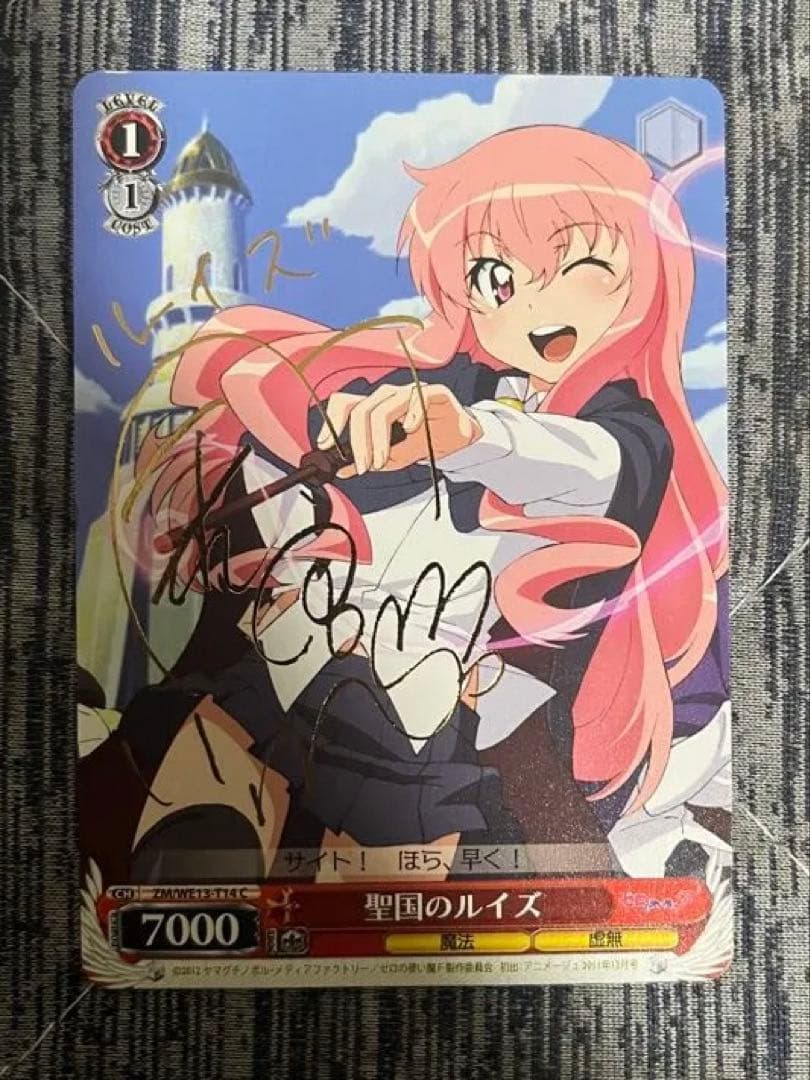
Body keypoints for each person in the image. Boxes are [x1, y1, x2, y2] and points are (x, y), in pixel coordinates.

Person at [103, 125, 728, 884]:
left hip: (473, 711)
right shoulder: (445, 373)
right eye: (496, 275)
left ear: (646, 274)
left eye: (583, 266)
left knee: (422, 799)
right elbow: (332, 404)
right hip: (341, 655)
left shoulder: (627, 428)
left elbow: (595, 467)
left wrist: (471, 435)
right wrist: (327, 422)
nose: (535, 305)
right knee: (239, 732)